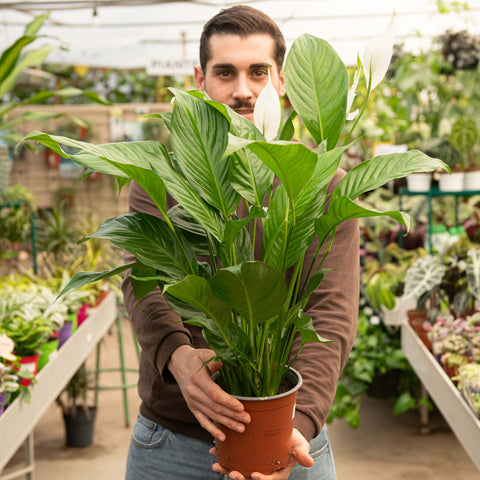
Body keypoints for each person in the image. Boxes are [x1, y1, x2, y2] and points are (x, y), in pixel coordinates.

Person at [122, 5, 359, 480]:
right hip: (173, 441)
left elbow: (330, 312)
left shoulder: (324, 185)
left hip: (290, 440)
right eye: (225, 72)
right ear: (200, 79)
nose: (243, 90)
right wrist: (179, 357)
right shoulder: (162, 178)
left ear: (284, 80)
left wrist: (298, 424)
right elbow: (143, 282)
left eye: (259, 72)